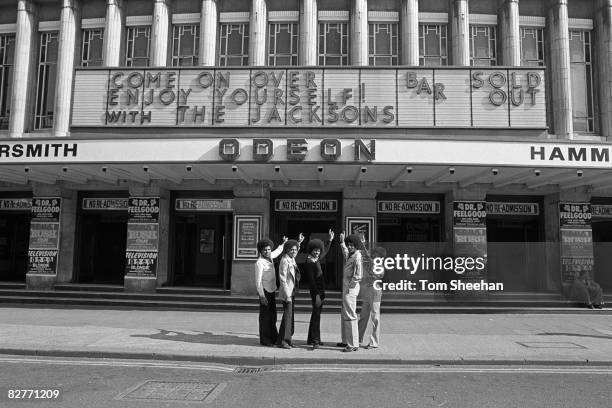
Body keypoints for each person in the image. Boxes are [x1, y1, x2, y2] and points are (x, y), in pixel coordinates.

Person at [254, 236, 288, 347]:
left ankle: (273, 337)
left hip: (272, 290)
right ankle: (265, 340)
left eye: (269, 249)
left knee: (272, 316)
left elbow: (277, 251)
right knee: (265, 317)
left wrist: (284, 243)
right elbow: (258, 282)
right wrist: (262, 296)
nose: (267, 251)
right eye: (265, 250)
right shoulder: (259, 263)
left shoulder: (270, 257)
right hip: (264, 292)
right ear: (261, 251)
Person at [304, 229, 334, 349]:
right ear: (310, 250)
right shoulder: (309, 262)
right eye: (315, 250)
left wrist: (330, 240)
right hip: (316, 293)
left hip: (321, 292)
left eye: (318, 250)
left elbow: (325, 251)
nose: (317, 252)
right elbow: (311, 281)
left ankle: (311, 338)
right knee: (316, 316)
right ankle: (315, 341)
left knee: (316, 315)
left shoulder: (316, 259)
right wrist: (316, 295)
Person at [336, 232, 363, 352]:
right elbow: (345, 253)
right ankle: (346, 341)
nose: (350, 247)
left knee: (350, 316)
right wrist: (342, 243)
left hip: (350, 290)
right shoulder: (352, 255)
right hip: (347, 289)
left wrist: (349, 288)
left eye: (352, 245)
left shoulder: (357, 256)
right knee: (345, 315)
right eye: (349, 245)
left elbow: (358, 276)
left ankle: (352, 344)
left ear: (356, 246)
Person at [359, 245, 387, 349]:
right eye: (374, 254)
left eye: (375, 254)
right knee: (363, 316)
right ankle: (357, 338)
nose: (373, 255)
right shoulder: (373, 262)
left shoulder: (378, 264)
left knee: (375, 317)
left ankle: (374, 342)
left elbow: (368, 257)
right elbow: (367, 257)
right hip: (368, 290)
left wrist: (363, 244)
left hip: (375, 291)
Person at [277, 238, 302, 348]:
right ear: (286, 250)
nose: (294, 251)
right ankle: (283, 341)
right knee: (287, 316)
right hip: (287, 292)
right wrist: (287, 296)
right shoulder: (284, 260)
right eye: (291, 250)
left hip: (292, 291)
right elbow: (282, 279)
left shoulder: (292, 258)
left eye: (295, 250)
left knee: (290, 316)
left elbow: (296, 252)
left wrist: (299, 243)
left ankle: (288, 339)